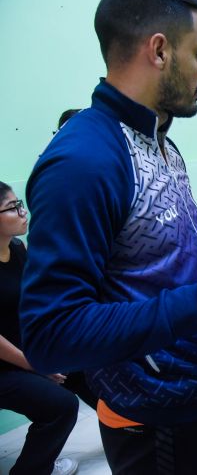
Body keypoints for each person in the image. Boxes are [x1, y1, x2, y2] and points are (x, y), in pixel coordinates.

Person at [20, 0, 197, 474]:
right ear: (160, 50)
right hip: (157, 423)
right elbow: (48, 334)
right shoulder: (84, 161)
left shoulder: (159, 138)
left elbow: (170, 259)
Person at [0, 183, 79, 475]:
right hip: (5, 367)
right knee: (61, 407)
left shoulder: (18, 249)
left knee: (87, 364)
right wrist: (36, 365)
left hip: (27, 350)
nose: (23, 213)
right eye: (12, 208)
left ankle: (132, 428)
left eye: (20, 204)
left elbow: (40, 296)